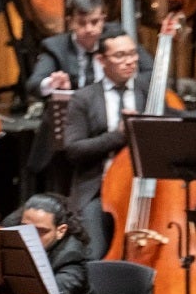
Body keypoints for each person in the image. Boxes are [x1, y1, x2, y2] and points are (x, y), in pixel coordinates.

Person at [25, 0, 155, 193]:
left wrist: (123, 77)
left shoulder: (116, 39)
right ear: (70, 22)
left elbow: (150, 72)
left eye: (95, 22)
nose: (90, 29)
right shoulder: (56, 46)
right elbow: (34, 84)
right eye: (82, 23)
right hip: (74, 131)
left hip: (109, 124)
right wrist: (52, 83)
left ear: (103, 18)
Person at [62, 27, 159, 259]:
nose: (129, 62)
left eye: (133, 54)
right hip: (98, 191)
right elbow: (73, 149)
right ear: (101, 60)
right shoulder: (84, 98)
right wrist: (118, 136)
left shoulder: (150, 93)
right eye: (120, 56)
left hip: (145, 190)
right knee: (93, 254)